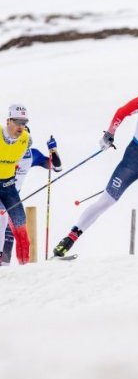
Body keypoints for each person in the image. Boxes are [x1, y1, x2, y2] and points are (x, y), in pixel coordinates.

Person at [53, 68, 138, 257]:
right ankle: (68, 239)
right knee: (107, 201)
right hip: (134, 158)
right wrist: (110, 133)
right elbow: (123, 111)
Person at [1, 134, 62, 266]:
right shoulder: (4, 150)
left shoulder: (32, 154)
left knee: (15, 234)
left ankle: (13, 268)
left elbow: (56, 167)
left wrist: (53, 151)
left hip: (11, 201)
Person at [0, 104, 31, 265]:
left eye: (24, 122)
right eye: (18, 122)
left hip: (8, 186)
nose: (21, 126)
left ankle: (26, 269)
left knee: (21, 227)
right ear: (8, 121)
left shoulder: (26, 139)